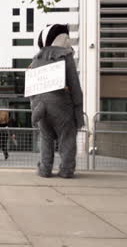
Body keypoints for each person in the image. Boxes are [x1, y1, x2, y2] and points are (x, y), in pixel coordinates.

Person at [29, 24, 84, 178]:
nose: (69, 41)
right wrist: (78, 109)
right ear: (60, 39)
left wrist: (34, 107)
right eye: (66, 37)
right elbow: (74, 85)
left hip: (40, 104)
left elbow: (31, 87)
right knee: (67, 137)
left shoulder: (36, 59)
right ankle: (66, 170)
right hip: (61, 105)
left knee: (46, 138)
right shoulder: (65, 56)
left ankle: (45, 169)